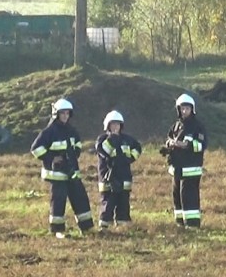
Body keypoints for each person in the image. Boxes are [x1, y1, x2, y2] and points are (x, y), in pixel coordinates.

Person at [30, 98, 94, 238]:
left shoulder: (71, 130)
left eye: (67, 113)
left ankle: (87, 228)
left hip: (72, 172)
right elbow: (36, 149)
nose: (65, 116)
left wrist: (73, 156)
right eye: (62, 113)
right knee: (58, 202)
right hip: (57, 175)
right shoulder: (49, 131)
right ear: (56, 114)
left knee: (80, 198)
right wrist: (51, 158)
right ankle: (58, 230)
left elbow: (77, 145)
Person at [160, 94, 207, 228]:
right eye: (182, 108)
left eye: (187, 108)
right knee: (177, 195)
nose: (184, 111)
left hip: (191, 168)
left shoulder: (197, 126)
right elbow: (169, 139)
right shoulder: (175, 126)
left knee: (189, 196)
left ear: (192, 109)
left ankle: (192, 224)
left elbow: (202, 145)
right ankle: (180, 223)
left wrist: (186, 145)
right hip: (177, 168)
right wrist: (168, 146)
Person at [95, 110, 142, 230]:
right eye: (113, 124)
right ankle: (105, 226)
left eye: (118, 124)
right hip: (108, 177)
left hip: (124, 177)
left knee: (123, 202)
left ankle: (123, 225)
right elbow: (104, 151)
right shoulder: (102, 140)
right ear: (108, 125)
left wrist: (130, 158)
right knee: (108, 202)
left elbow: (137, 147)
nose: (116, 127)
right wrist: (113, 138)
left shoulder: (127, 139)